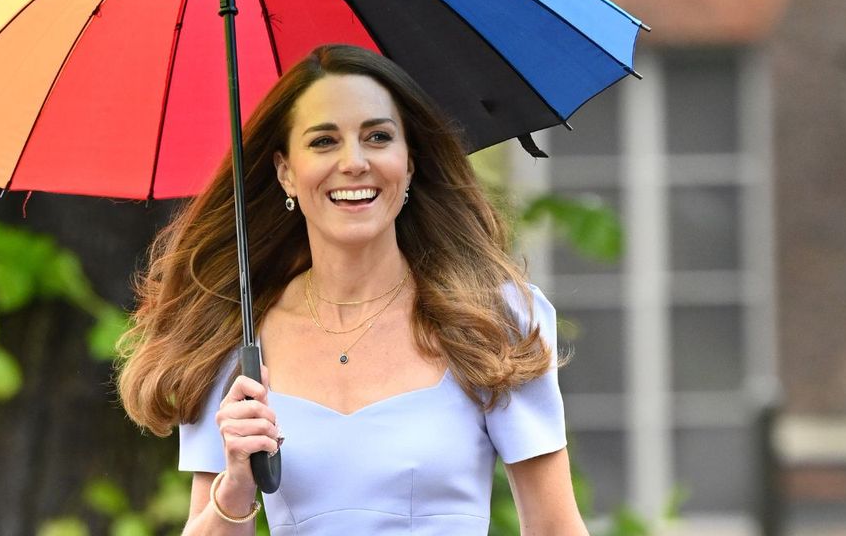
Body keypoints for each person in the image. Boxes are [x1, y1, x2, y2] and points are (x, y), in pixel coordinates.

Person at [117, 44, 586, 535]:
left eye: (378, 137)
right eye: (323, 142)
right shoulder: (232, 338)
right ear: (286, 172)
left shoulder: (494, 319)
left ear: (409, 163)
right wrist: (235, 486)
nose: (354, 162)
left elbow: (556, 528)